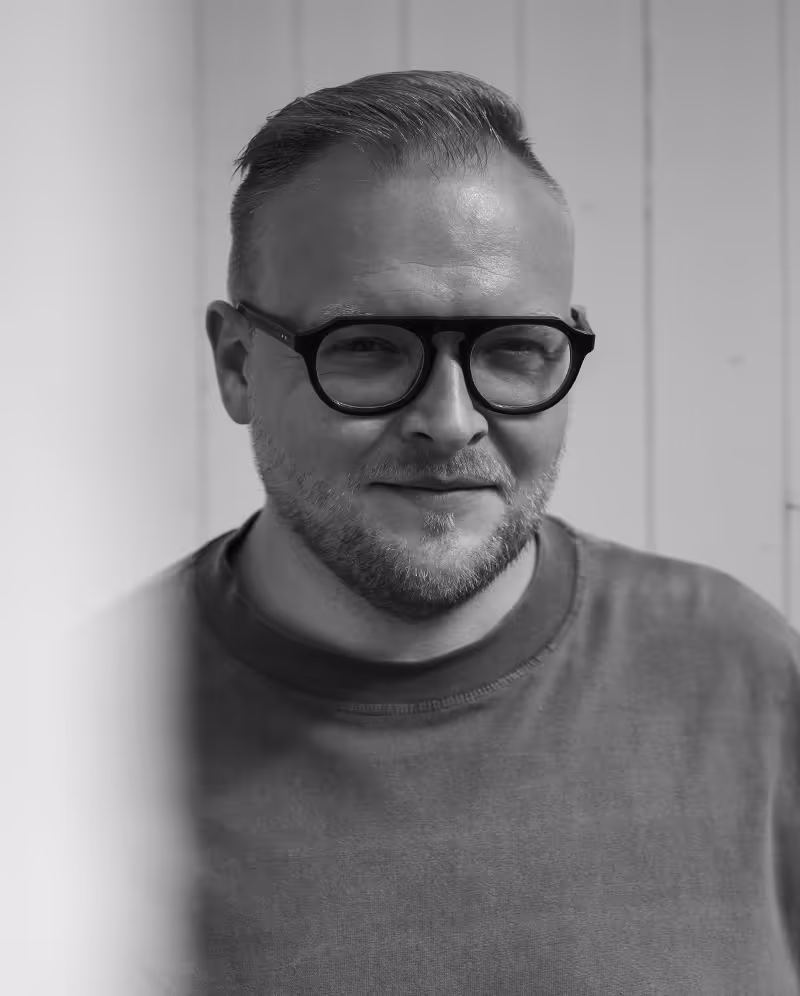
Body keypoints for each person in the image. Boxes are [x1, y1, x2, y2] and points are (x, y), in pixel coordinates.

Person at [91, 71, 800, 994]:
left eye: (512, 347)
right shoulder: (70, 735)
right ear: (236, 365)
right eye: (370, 346)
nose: (452, 421)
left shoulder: (737, 669)